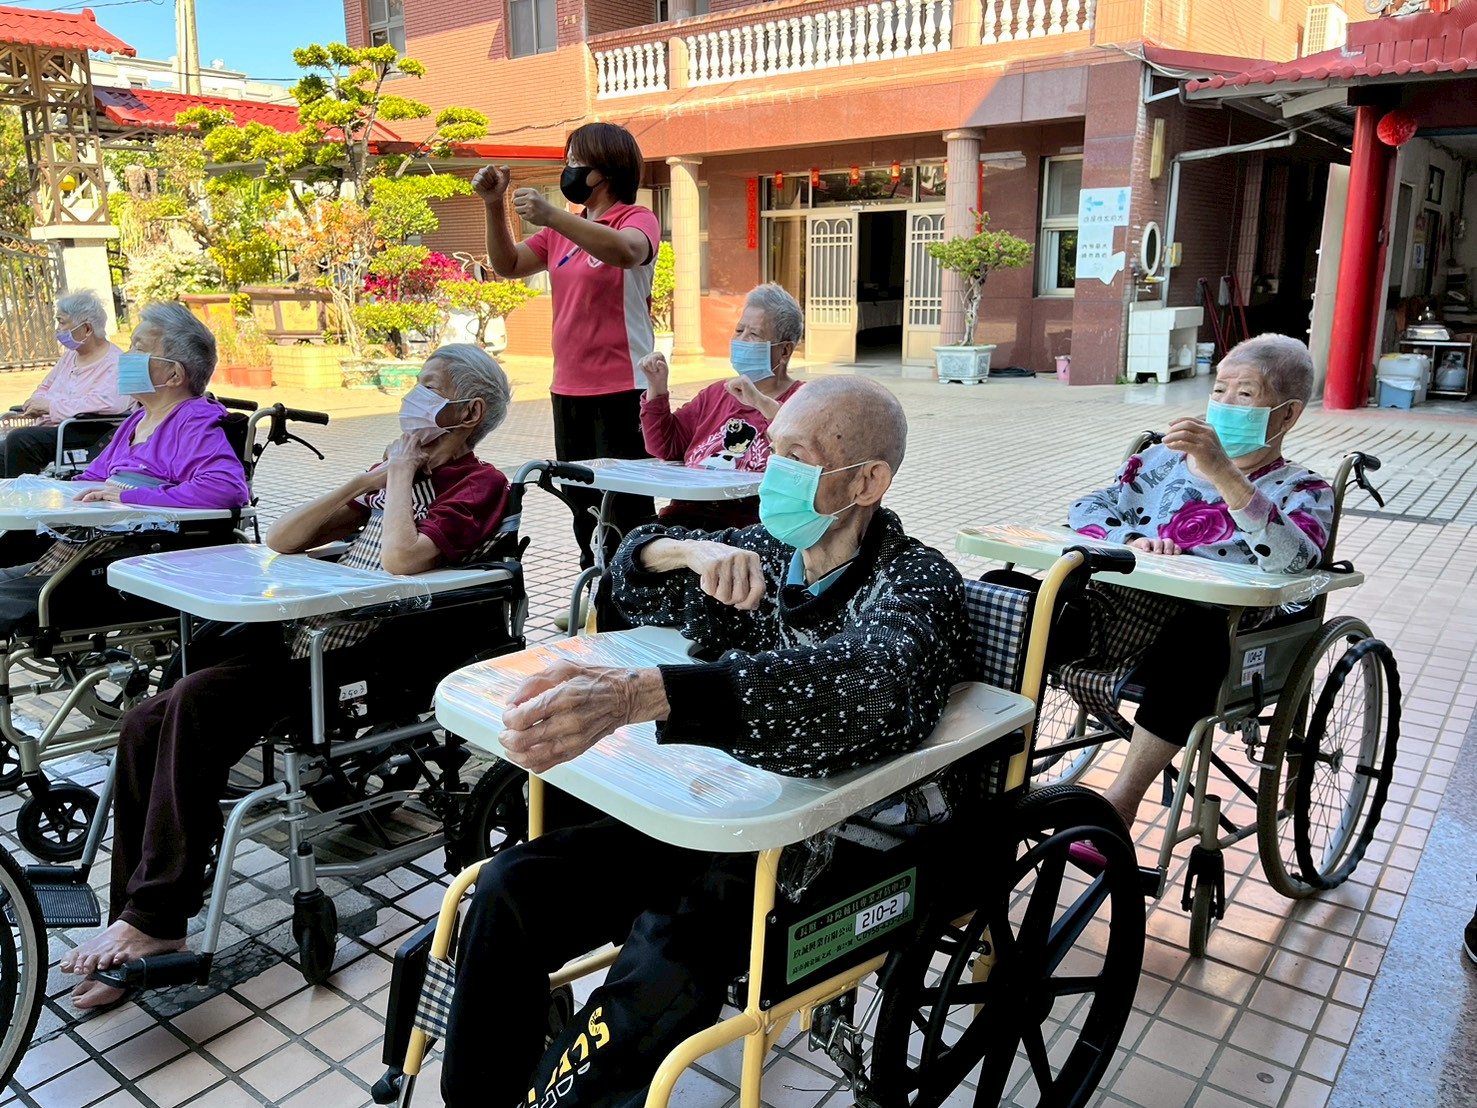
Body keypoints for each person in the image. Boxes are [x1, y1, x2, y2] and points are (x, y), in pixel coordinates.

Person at [439, 376, 970, 1108]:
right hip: (723, 811)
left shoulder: (917, 581)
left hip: (831, 843)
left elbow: (868, 686)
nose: (771, 471)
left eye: (795, 456)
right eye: (771, 449)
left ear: (866, 482)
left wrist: (643, 695)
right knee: (512, 889)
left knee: (669, 942)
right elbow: (628, 576)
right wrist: (685, 551)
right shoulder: (766, 551)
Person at [59, 345, 516, 1010]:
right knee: (144, 720)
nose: (412, 396)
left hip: (368, 655)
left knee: (194, 702)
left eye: (427, 385)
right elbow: (281, 538)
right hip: (306, 636)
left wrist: (398, 475)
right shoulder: (394, 473)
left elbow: (400, 558)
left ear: (468, 412)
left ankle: (155, 919)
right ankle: (139, 916)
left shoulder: (479, 483)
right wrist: (364, 480)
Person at [1061, 333, 1335, 837]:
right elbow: (1088, 506)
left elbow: (1296, 561)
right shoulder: (1158, 461)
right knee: (1009, 594)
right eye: (1219, 390)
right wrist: (1131, 539)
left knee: (1199, 638)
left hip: (1211, 633)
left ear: (1288, 415)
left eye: (1245, 394)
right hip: (1124, 609)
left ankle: (1120, 804)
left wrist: (1225, 474)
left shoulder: (1303, 489)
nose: (1225, 404)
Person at [0, 302, 249, 638]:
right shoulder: (138, 419)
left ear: (174, 375)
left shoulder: (193, 420)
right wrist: (43, 494)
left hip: (136, 560)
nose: (125, 356)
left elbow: (226, 488)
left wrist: (131, 495)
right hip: (88, 550)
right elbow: (90, 481)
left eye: (138, 349)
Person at [475, 122, 660, 568]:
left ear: (606, 170)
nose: (569, 169)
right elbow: (508, 264)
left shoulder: (636, 219)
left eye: (577, 161)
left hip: (623, 389)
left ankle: (633, 590)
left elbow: (627, 252)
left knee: (626, 506)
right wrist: (494, 205)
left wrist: (554, 215)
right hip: (569, 388)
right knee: (582, 503)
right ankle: (593, 584)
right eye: (569, 160)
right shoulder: (560, 231)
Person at [639, 283, 806, 530]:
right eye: (739, 330)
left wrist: (760, 402)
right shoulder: (717, 393)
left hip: (751, 528)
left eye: (754, 334)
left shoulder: (804, 400)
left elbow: (807, 449)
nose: (741, 340)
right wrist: (656, 387)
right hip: (686, 520)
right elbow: (664, 446)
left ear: (784, 351)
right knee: (635, 544)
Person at [1, 289, 130, 477]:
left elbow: (108, 403)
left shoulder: (115, 362)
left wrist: (50, 407)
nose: (57, 329)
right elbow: (45, 386)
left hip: (88, 431)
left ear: (87, 328)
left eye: (62, 322)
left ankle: (25, 495)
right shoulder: (71, 356)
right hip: (53, 428)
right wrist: (35, 403)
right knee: (3, 449)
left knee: (21, 439)